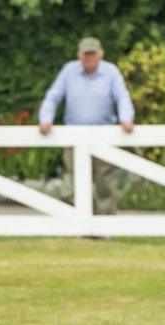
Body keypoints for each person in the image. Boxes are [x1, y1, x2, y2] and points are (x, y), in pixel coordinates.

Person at [39, 37, 135, 215]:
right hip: (74, 137)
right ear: (79, 55)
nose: (89, 58)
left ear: (100, 54)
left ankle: (106, 226)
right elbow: (53, 97)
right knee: (79, 182)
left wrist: (126, 119)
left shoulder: (111, 72)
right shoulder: (69, 71)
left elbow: (122, 97)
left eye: (92, 54)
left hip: (104, 136)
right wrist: (46, 119)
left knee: (105, 183)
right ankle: (85, 225)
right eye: (85, 54)